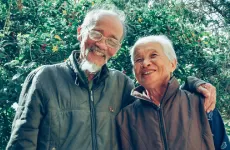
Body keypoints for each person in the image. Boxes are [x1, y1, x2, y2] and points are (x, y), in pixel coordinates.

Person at [6, 5, 216, 150]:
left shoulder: (122, 85)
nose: (102, 45)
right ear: (81, 32)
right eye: (96, 34)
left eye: (112, 41)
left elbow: (160, 104)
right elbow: (21, 143)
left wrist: (194, 84)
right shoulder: (45, 78)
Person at [116, 35, 230, 150]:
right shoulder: (126, 117)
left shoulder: (201, 103)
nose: (145, 63)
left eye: (153, 55)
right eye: (138, 59)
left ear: (172, 64)